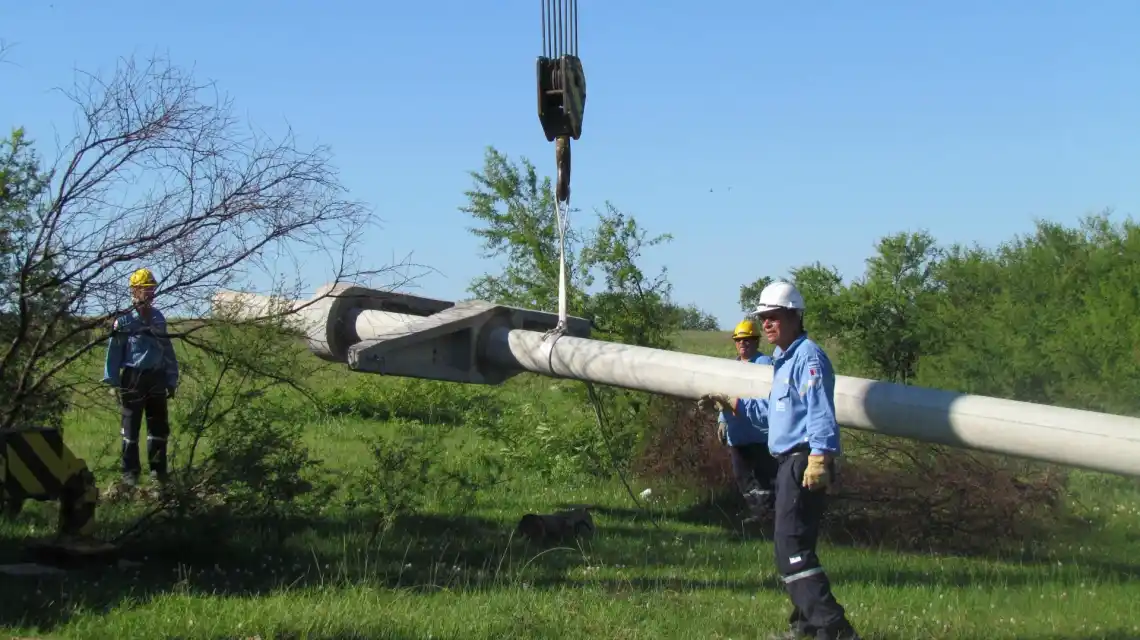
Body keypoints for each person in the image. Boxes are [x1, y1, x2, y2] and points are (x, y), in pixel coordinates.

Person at [698, 281, 861, 640]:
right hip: (789, 460)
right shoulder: (783, 361)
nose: (767, 324)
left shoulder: (808, 358)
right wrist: (733, 403)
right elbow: (775, 413)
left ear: (795, 316)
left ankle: (835, 629)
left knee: (790, 548)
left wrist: (820, 457)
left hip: (803, 461)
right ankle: (806, 627)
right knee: (797, 546)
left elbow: (820, 411)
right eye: (763, 318)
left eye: (774, 316)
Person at [102, 268, 179, 489]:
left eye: (152, 289)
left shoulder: (158, 318)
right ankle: (130, 475)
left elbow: (167, 349)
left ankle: (158, 474)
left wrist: (171, 378)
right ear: (135, 291)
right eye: (146, 289)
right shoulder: (124, 320)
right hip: (133, 378)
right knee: (130, 427)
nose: (150, 293)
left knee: (158, 428)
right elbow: (114, 352)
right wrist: (112, 382)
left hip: (156, 377)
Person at [718, 319, 778, 523]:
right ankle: (757, 513)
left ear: (756, 341)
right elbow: (723, 395)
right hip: (737, 434)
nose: (743, 343)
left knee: (764, 477)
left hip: (760, 434)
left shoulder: (765, 364)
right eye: (739, 340)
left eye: (748, 339)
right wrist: (722, 420)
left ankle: (767, 515)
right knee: (743, 477)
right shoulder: (731, 367)